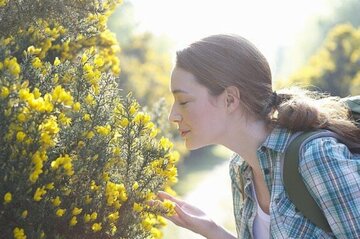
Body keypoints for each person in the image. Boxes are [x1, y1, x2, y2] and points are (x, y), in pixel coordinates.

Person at [157, 34, 360, 238]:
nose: (172, 115)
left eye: (183, 101)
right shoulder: (240, 168)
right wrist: (211, 230)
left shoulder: (316, 157)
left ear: (229, 99)